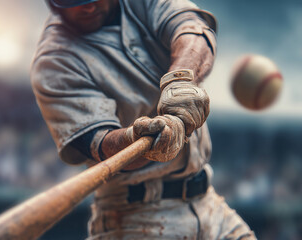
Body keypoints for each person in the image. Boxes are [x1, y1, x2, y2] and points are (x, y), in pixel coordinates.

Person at [31, 0, 256, 239]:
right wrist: (135, 138)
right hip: (135, 218)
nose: (87, 6)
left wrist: (179, 81)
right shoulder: (53, 63)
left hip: (207, 201)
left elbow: (193, 30)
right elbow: (103, 147)